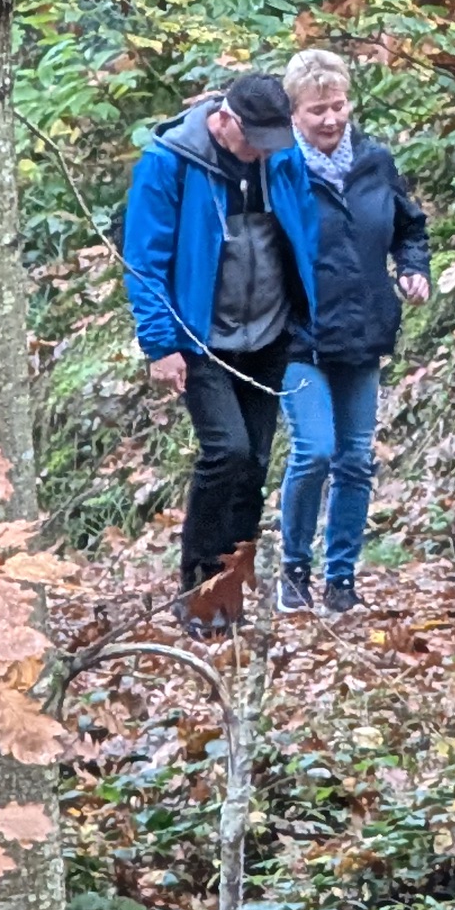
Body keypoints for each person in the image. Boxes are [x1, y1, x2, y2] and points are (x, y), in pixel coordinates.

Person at [121, 71, 318, 616]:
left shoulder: (280, 157)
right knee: (225, 452)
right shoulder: (169, 162)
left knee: (254, 461)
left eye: (270, 141)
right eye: (253, 139)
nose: (261, 152)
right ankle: (198, 591)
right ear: (225, 120)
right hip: (199, 336)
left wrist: (308, 318)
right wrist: (161, 344)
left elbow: (303, 235)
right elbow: (144, 260)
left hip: (270, 333)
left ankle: (232, 588)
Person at [267, 49, 429, 617]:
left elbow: (411, 227)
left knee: (356, 459)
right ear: (294, 114)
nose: (332, 120)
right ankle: (293, 567)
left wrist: (413, 268)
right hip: (296, 334)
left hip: (363, 329)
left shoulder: (376, 162)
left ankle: (341, 577)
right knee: (314, 450)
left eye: (338, 106)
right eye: (317, 111)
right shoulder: (278, 169)